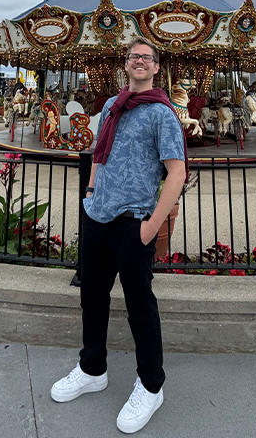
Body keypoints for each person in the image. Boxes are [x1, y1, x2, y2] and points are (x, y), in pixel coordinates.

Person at [50, 37, 187, 434]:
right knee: (91, 297)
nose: (139, 62)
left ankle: (150, 384)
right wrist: (91, 191)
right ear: (125, 65)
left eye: (146, 58)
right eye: (133, 57)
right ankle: (92, 367)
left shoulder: (162, 113)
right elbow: (99, 152)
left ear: (157, 67)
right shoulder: (111, 105)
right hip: (98, 218)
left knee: (139, 304)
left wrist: (150, 226)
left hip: (134, 223)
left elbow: (176, 173)